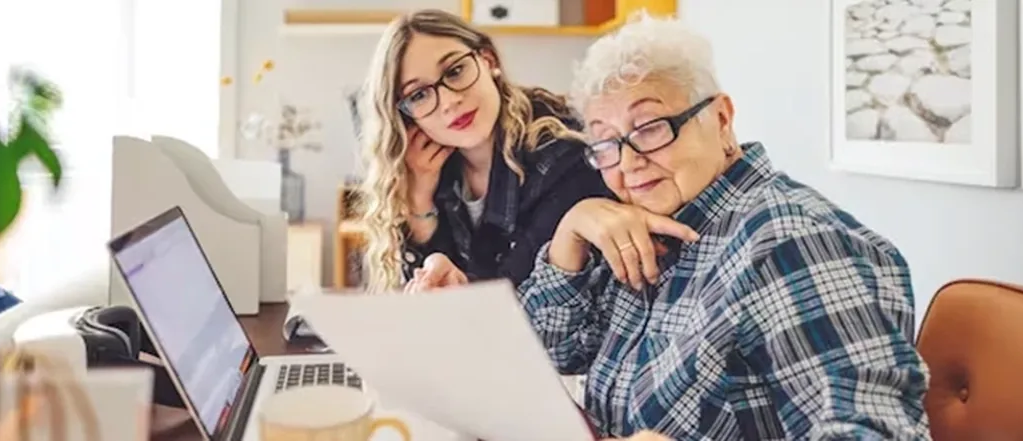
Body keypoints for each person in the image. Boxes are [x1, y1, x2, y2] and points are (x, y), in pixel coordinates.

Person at [415, 14, 932, 441]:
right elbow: (553, 352)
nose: (628, 162)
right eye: (606, 144)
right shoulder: (660, 228)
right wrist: (569, 238)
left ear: (722, 119)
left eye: (650, 128)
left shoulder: (792, 242)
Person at [354, 9, 611, 294]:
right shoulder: (432, 168)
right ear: (406, 117)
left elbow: (522, 299)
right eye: (419, 95)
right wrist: (419, 202)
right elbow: (427, 295)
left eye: (455, 71)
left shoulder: (560, 153)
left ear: (488, 61)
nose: (449, 101)